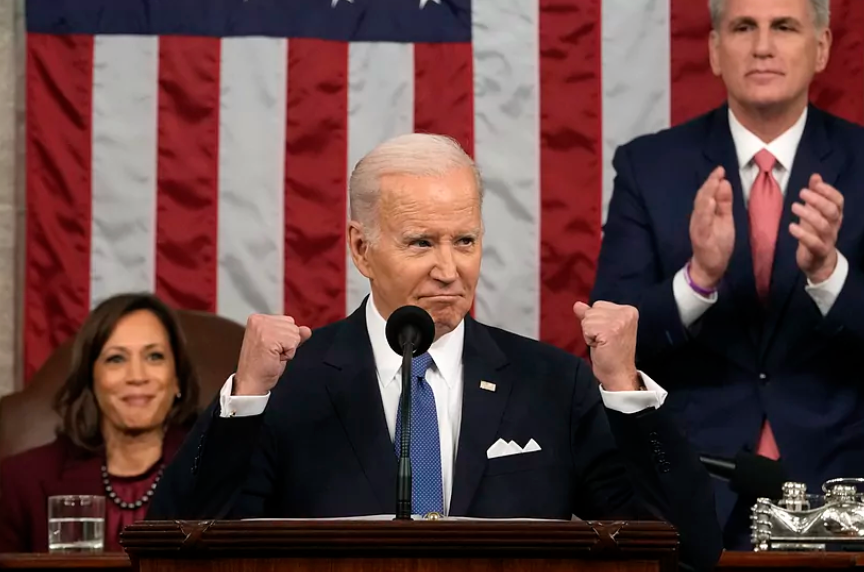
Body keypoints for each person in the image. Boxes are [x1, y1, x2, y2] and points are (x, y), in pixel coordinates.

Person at [148, 133, 723, 571]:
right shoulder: (291, 385)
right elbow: (174, 547)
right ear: (361, 248)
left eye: (465, 241)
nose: (449, 270)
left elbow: (689, 549)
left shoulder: (553, 383)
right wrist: (245, 399)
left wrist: (625, 389)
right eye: (421, 242)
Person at [590, 0, 864, 549]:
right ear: (715, 51)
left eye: (784, 27)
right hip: (694, 489)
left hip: (841, 487)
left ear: (823, 46)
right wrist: (698, 279)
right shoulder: (648, 166)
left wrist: (829, 275)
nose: (763, 46)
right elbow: (607, 339)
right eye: (743, 27)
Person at [0, 293, 201, 552]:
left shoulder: (215, 472)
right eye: (116, 358)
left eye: (154, 357)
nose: (137, 376)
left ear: (177, 379)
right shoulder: (22, 481)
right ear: (91, 380)